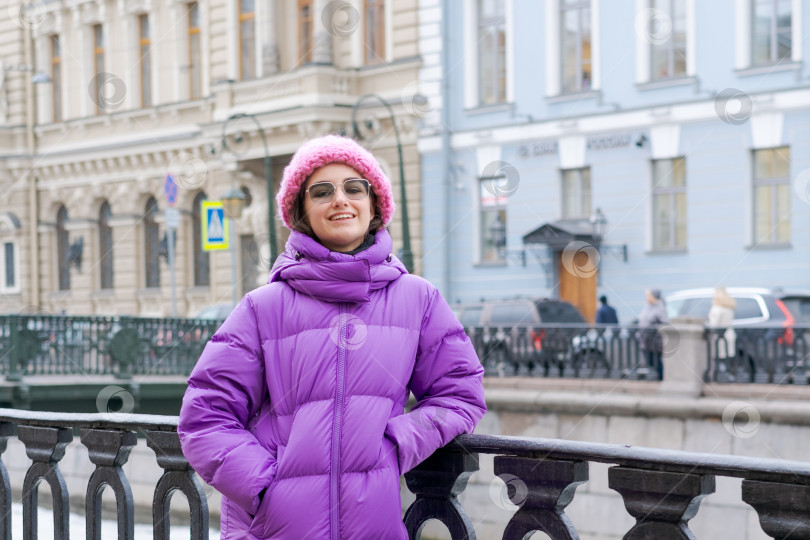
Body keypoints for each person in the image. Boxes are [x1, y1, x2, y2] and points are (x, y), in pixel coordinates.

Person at [177, 135, 487, 540]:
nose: (340, 199)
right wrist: (265, 488)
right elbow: (205, 418)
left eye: (353, 188)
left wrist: (393, 445)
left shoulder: (418, 299)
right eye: (321, 192)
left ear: (374, 204)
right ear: (301, 211)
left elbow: (460, 393)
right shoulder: (262, 308)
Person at [637, 288, 669, 380]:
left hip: (655, 340)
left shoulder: (660, 308)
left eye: (648, 295)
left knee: (657, 361)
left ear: (654, 296)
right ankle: (656, 377)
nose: (647, 298)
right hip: (645, 339)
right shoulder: (647, 306)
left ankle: (661, 378)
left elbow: (665, 322)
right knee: (649, 360)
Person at [708, 286, 736, 360]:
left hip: (720, 337)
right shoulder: (729, 307)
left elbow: (714, 324)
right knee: (728, 359)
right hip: (729, 335)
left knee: (718, 359)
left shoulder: (717, 308)